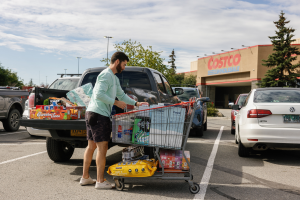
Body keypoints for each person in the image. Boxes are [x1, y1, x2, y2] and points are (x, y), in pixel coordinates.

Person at [79, 52, 144, 189]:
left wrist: (137, 104)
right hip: (98, 114)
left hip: (93, 113)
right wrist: (115, 103)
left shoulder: (113, 78)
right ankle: (100, 181)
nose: (124, 67)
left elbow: (121, 95)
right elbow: (98, 94)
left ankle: (85, 177)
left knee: (91, 147)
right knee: (102, 148)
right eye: (124, 64)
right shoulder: (106, 75)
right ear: (117, 62)